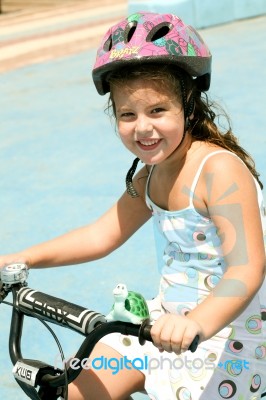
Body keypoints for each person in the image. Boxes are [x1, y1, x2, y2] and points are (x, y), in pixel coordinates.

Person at [1, 11, 265, 400]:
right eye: (128, 115)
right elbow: (101, 234)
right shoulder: (149, 175)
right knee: (71, 391)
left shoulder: (218, 170)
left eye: (157, 110)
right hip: (162, 326)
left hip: (233, 341)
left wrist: (196, 324)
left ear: (189, 105)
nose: (142, 127)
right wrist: (15, 260)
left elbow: (246, 267)